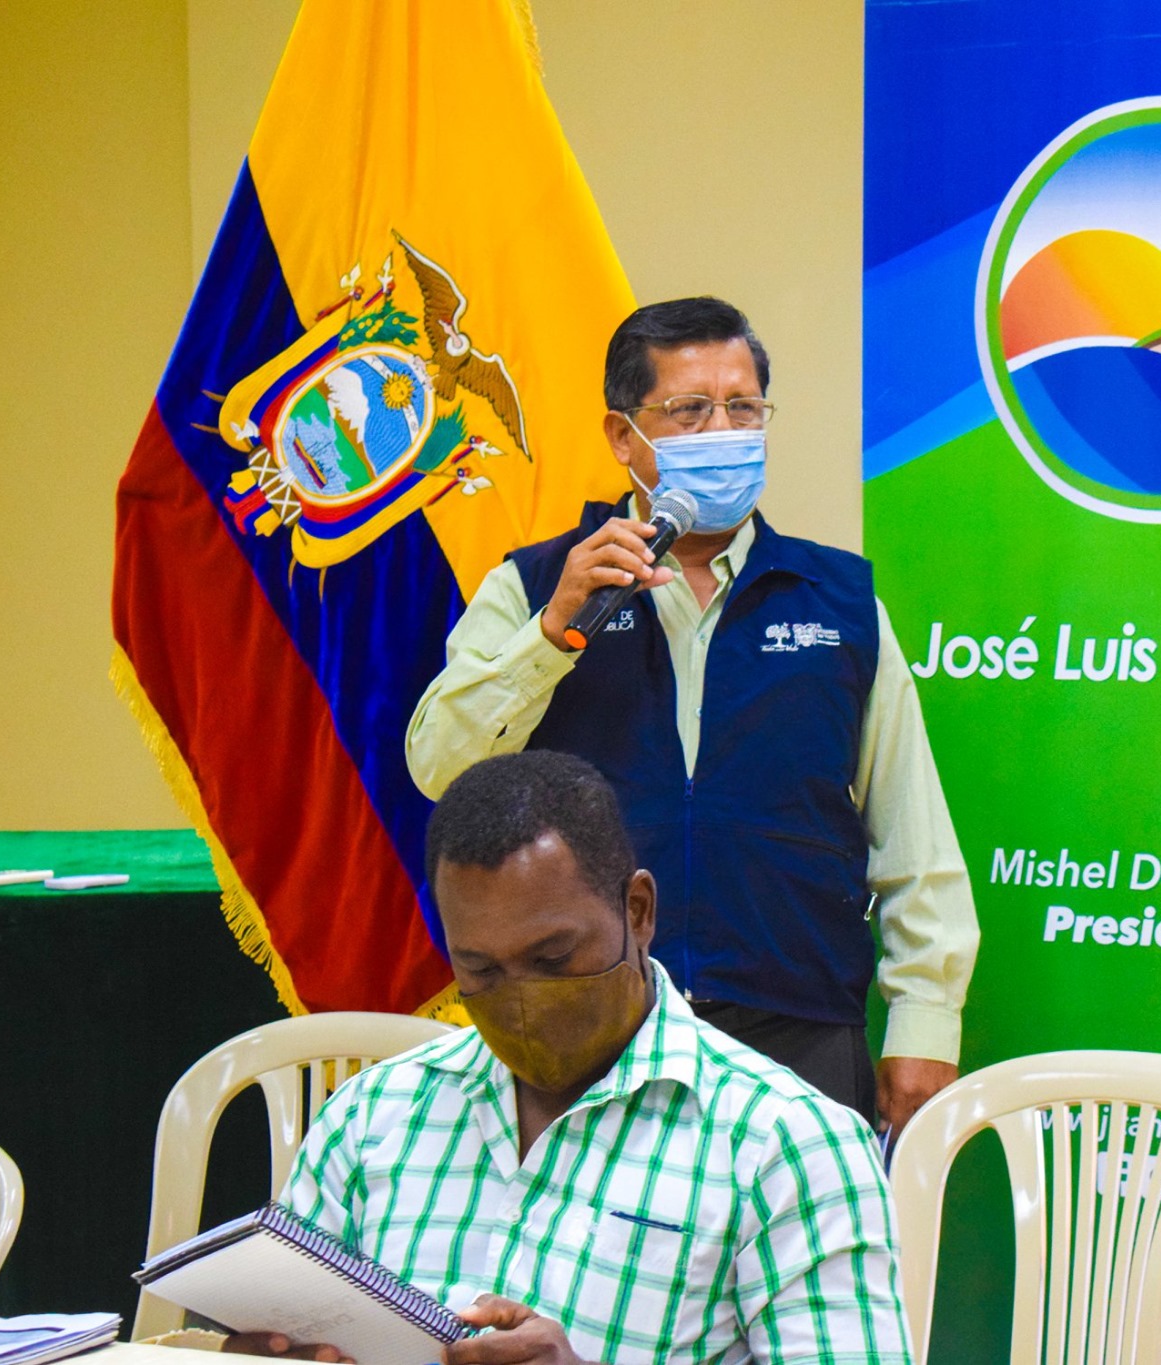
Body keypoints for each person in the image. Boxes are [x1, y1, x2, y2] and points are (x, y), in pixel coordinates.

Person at [406, 297, 976, 1135]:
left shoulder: (839, 601)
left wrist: (926, 1019)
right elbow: (439, 768)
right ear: (623, 435)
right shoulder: (536, 586)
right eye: (690, 410)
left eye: (743, 408)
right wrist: (552, 634)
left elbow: (912, 836)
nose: (723, 431)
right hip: (590, 1029)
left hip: (800, 1027)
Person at [231, 751, 910, 1365]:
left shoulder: (786, 1145)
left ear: (638, 911)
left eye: (554, 958)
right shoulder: (371, 1116)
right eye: (482, 970)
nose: (522, 1001)